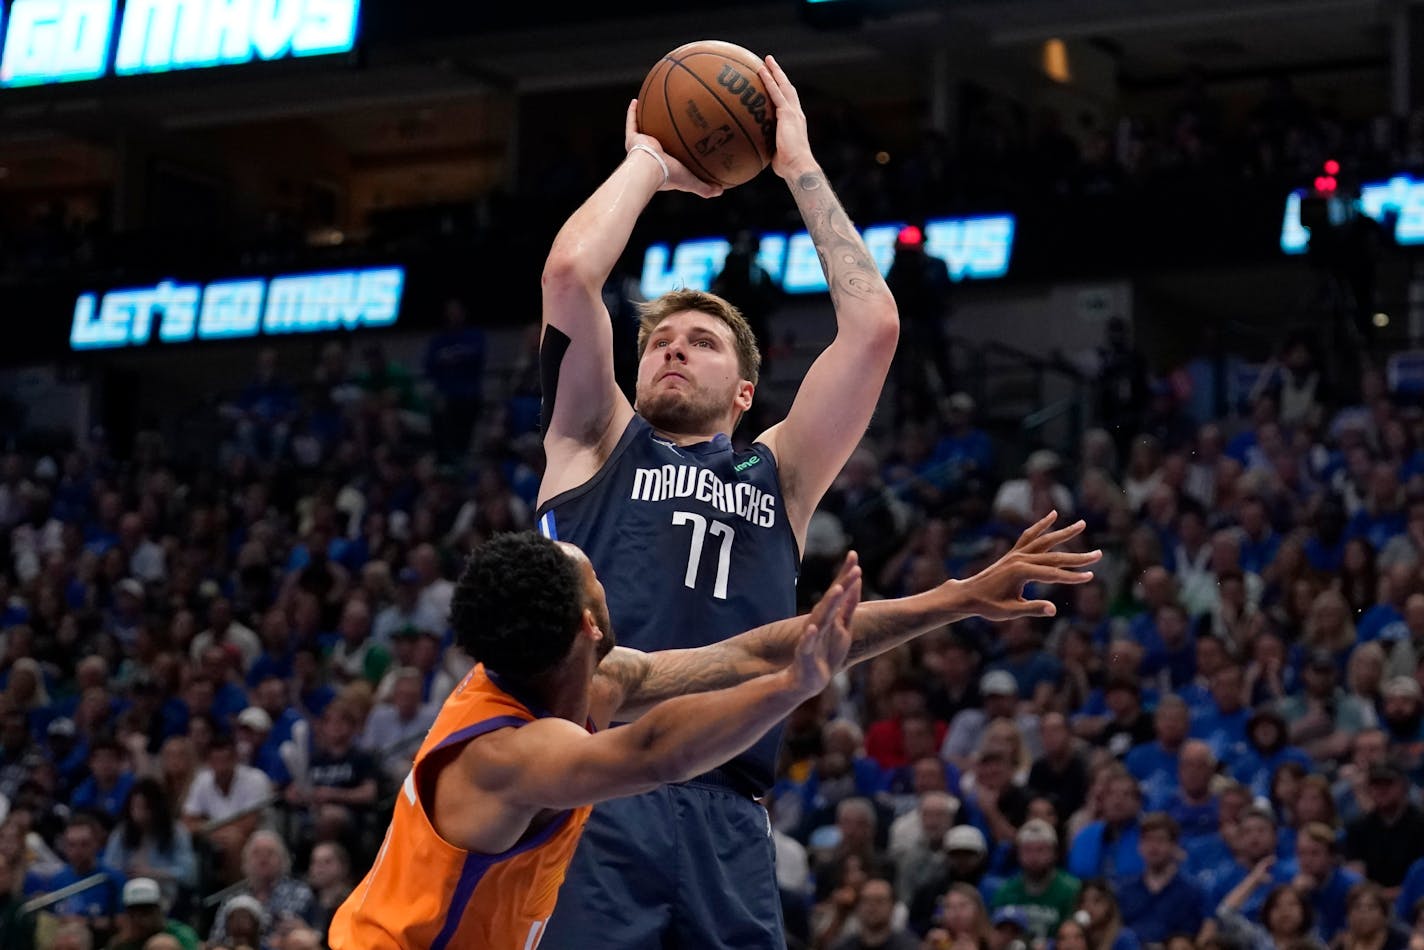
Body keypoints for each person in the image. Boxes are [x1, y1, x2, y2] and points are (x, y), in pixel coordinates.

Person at [532, 51, 1097, 950]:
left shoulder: (780, 473)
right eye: (660, 343)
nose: (673, 351)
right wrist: (648, 158)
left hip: (731, 811)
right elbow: (569, 276)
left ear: (748, 390)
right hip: (594, 798)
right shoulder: (592, 441)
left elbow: (873, 329)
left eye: (703, 343)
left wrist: (796, 163)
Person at [331, 529, 1094, 949]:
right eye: (595, 573)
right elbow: (650, 753)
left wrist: (959, 597)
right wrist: (793, 689)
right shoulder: (504, 756)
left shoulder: (582, 679)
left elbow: (758, 651)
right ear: (589, 625)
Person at [107, 876, 201, 950]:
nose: (139, 917)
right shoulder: (124, 942)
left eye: (146, 910)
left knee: (161, 944)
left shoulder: (181, 934)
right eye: (133, 911)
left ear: (158, 910)